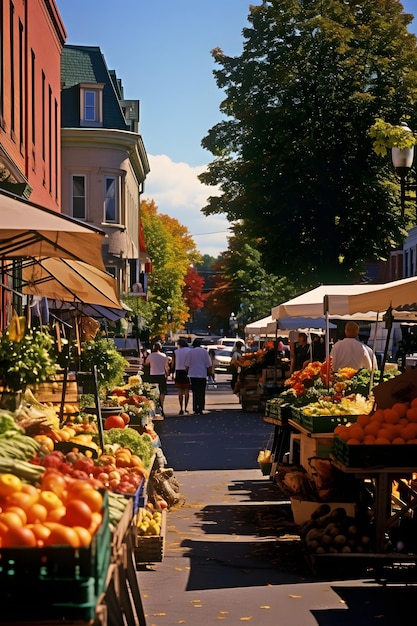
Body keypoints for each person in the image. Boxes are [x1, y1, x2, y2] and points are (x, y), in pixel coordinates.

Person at [184, 338, 213, 415]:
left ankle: (195, 407)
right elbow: (209, 364)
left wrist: (186, 371)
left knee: (195, 392)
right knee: (201, 392)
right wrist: (210, 372)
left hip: (193, 374)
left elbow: (187, 364)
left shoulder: (191, 352)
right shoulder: (204, 352)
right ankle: (200, 407)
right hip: (202, 374)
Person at [145, 342, 170, 416]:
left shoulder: (151, 356)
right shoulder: (164, 355)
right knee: (162, 391)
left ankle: (154, 408)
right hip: (161, 375)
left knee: (153, 392)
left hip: (153, 374)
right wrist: (167, 374)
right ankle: (161, 406)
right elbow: (166, 366)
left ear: (153, 347)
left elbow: (146, 363)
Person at [171, 338, 192, 415]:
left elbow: (173, 363)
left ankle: (181, 408)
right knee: (187, 390)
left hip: (178, 371)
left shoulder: (176, 352)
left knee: (180, 391)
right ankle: (186, 408)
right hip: (187, 371)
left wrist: (172, 373)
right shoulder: (189, 351)